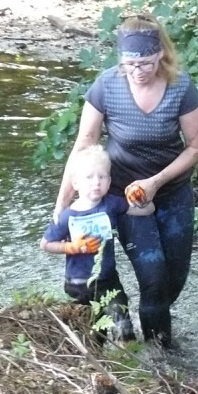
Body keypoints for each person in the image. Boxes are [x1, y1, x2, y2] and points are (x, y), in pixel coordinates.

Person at [53, 12, 198, 347]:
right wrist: (64, 200)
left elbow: (196, 145)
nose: (138, 72)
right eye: (130, 64)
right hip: (126, 198)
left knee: (171, 282)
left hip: (172, 195)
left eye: (146, 63)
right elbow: (84, 144)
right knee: (153, 279)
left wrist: (157, 181)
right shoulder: (107, 85)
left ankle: (150, 335)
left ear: (160, 56)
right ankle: (158, 355)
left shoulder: (180, 86)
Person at [41, 145, 154, 342]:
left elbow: (145, 210)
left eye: (102, 177)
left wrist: (142, 199)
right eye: (89, 177)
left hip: (108, 280)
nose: (96, 183)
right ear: (75, 183)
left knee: (123, 323)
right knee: (93, 333)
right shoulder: (68, 215)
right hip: (78, 284)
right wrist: (71, 247)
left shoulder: (111, 204)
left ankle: (129, 366)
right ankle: (97, 366)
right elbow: (46, 244)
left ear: (109, 181)